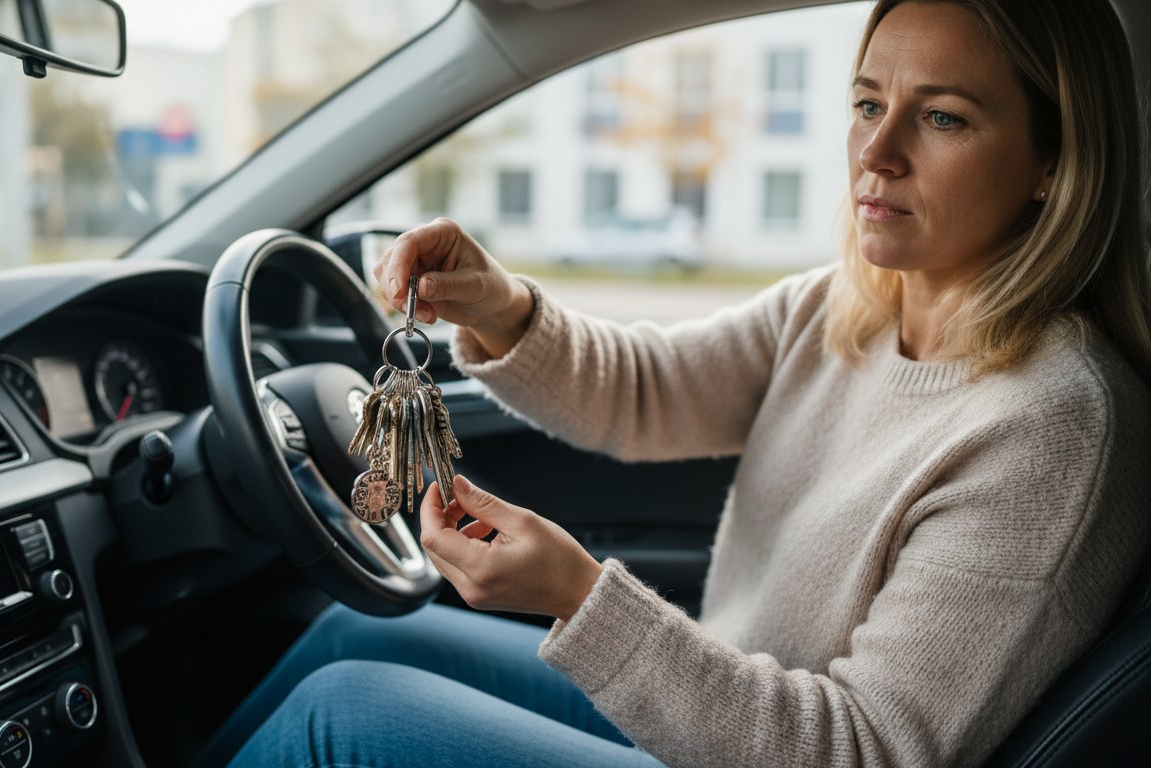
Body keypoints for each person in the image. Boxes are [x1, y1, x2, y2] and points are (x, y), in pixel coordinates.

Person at [208, 0, 1151, 765]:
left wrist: (579, 595)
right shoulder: (844, 307)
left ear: (1052, 165)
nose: (877, 150)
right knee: (357, 635)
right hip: (724, 716)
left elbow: (865, 750)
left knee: (344, 713)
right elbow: (646, 391)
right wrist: (500, 308)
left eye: (942, 117)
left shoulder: (1052, 423)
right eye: (868, 104)